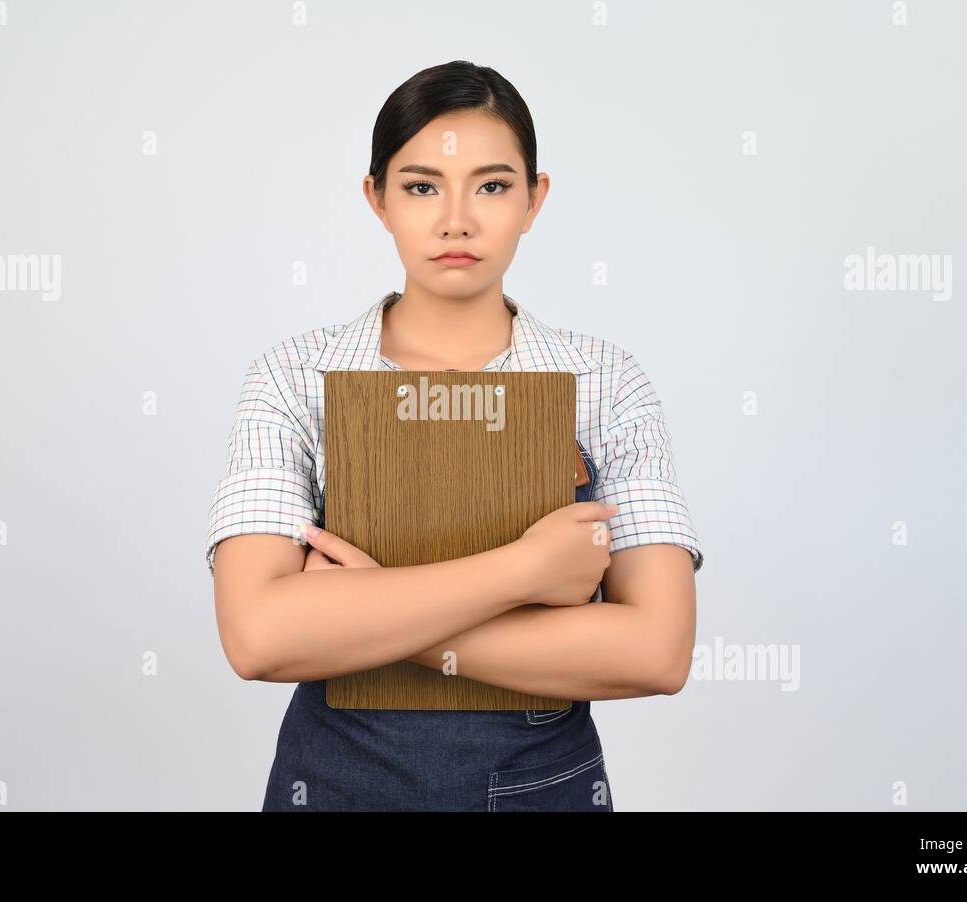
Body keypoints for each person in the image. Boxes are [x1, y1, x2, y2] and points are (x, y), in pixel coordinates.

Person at [206, 60, 703, 811]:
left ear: (535, 199)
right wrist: (525, 571)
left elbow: (657, 652)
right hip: (337, 784)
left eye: (494, 185)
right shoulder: (294, 377)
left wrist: (362, 613)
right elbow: (258, 637)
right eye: (421, 186)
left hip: (540, 790)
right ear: (376, 199)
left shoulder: (605, 382)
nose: (457, 220)